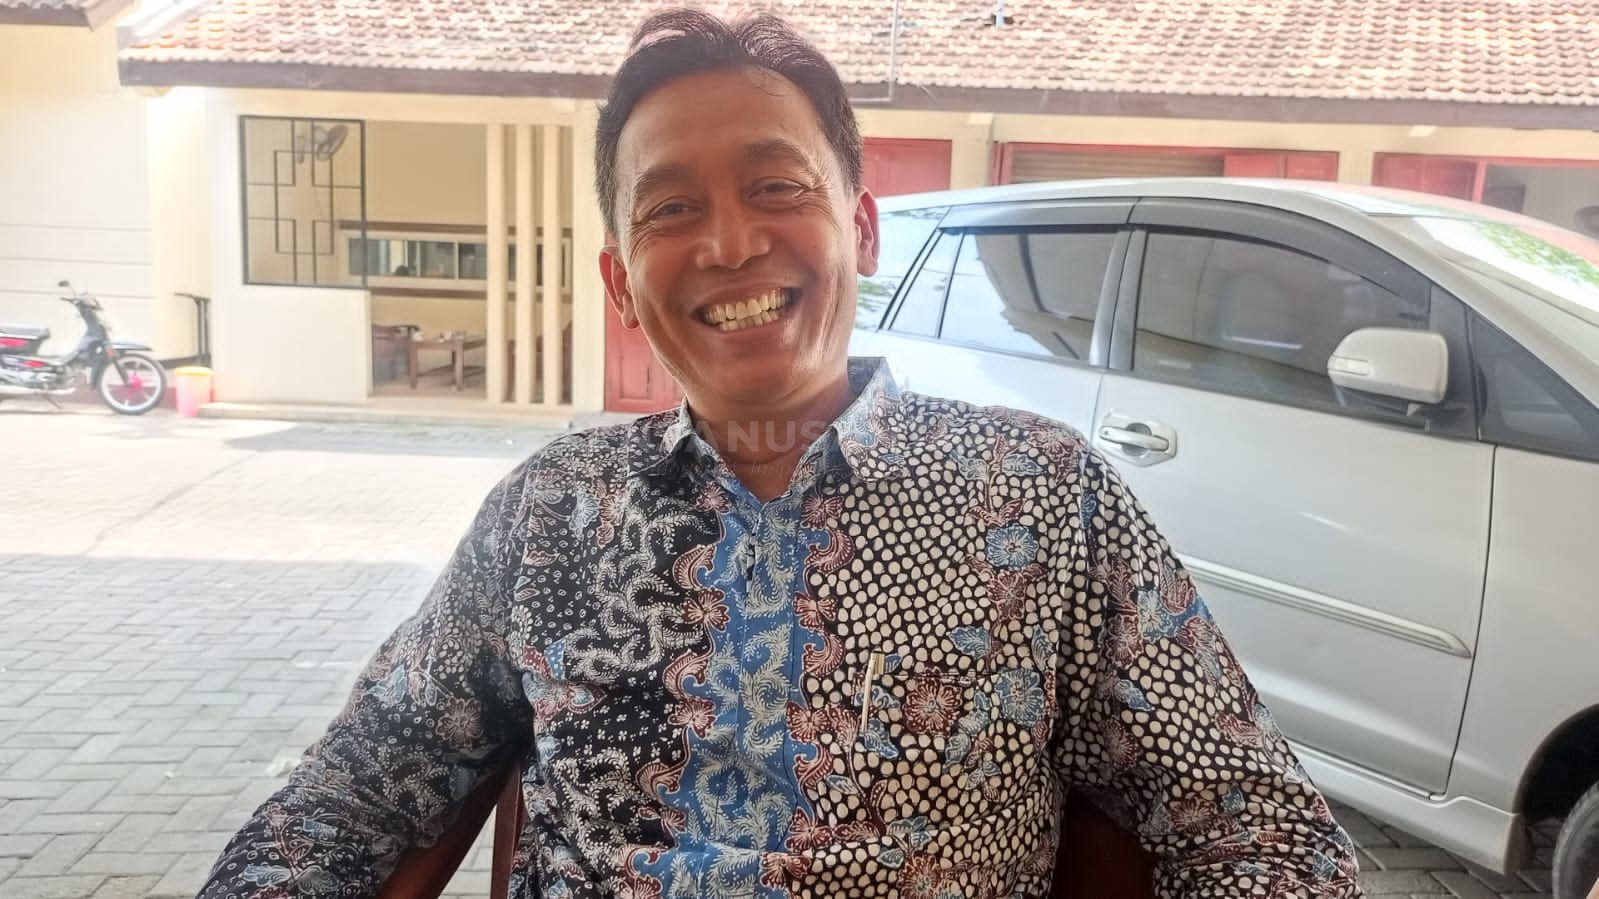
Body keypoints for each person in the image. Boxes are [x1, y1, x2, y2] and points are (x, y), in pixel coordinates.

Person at [196, 9, 1363, 898]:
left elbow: (1262, 832)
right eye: (668, 209)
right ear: (621, 283)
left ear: (860, 226)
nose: (729, 241)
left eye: (775, 185)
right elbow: (349, 799)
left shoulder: (1045, 496)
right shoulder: (548, 512)